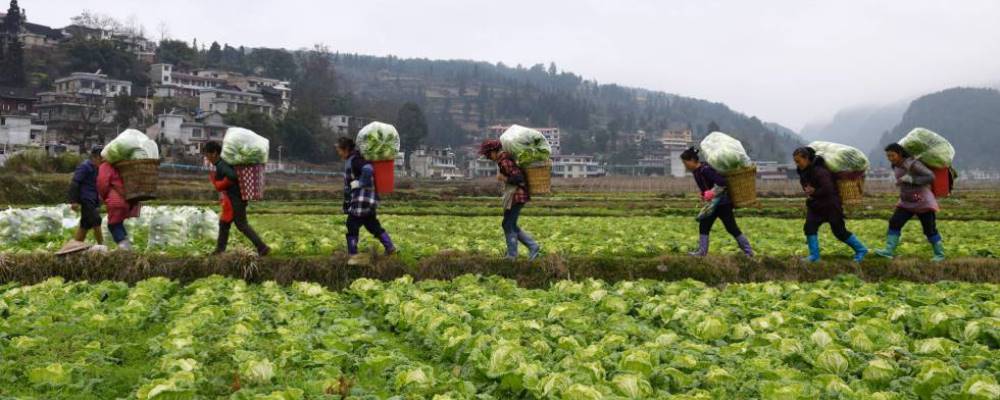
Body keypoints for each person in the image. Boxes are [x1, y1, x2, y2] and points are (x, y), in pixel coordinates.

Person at [793, 146, 868, 263]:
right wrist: (809, 191)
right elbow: (807, 187)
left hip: (830, 205)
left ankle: (861, 250)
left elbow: (828, 189)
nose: (797, 164)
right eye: (795, 162)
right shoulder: (803, 172)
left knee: (839, 232)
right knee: (809, 227)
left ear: (807, 158)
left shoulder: (820, 171)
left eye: (798, 161)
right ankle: (814, 256)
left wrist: (813, 191)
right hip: (815, 205)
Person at [874, 143, 945, 262]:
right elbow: (902, 179)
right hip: (906, 201)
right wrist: (901, 182)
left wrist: (912, 179)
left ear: (900, 154)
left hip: (922, 201)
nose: (890, 158)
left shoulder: (913, 164)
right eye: (888, 156)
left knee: (929, 229)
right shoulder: (895, 165)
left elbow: (930, 177)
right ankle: (888, 251)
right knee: (894, 222)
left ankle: (940, 255)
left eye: (892, 155)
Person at [681, 147, 754, 257]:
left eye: (685, 163)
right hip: (713, 204)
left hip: (723, 203)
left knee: (731, 227)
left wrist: (711, 192)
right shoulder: (696, 172)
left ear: (692, 160)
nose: (685, 166)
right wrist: (704, 194)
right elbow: (706, 186)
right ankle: (702, 252)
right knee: (704, 224)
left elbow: (722, 182)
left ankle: (749, 252)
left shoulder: (705, 169)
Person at [335, 137, 396, 265]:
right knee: (372, 224)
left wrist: (361, 183)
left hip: (361, 199)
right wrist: (346, 203)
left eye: (339, 150)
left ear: (346, 149)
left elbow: (368, 169)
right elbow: (348, 186)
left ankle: (353, 254)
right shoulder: (354, 159)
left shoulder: (355, 159)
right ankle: (390, 248)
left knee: (351, 224)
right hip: (368, 199)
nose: (338, 153)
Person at [203, 141, 270, 256]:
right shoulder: (222, 163)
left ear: (214, 153)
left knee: (241, 224)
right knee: (225, 223)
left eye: (207, 154)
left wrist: (222, 183)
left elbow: (233, 176)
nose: (207, 157)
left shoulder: (221, 165)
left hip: (235, 199)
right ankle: (220, 250)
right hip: (235, 198)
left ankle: (262, 247)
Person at [479, 139, 541, 261]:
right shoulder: (503, 160)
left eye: (488, 154)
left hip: (517, 196)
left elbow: (518, 178)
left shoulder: (505, 161)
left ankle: (513, 255)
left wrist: (504, 178)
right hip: (516, 196)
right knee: (509, 224)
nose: (488, 157)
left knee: (508, 224)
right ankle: (532, 246)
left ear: (494, 151)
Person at [97, 159, 140, 250]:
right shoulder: (126, 164)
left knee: (113, 225)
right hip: (128, 200)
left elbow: (102, 183)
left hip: (116, 200)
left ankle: (124, 247)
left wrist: (102, 196)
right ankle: (127, 245)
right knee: (118, 223)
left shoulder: (106, 166)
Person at [67, 146, 105, 248]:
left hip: (93, 200)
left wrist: (99, 200)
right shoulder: (85, 167)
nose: (102, 161)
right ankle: (102, 246)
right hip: (86, 199)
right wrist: (73, 201)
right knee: (96, 220)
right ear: (94, 157)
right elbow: (75, 183)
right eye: (100, 158)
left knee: (85, 225)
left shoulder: (97, 168)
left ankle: (73, 248)